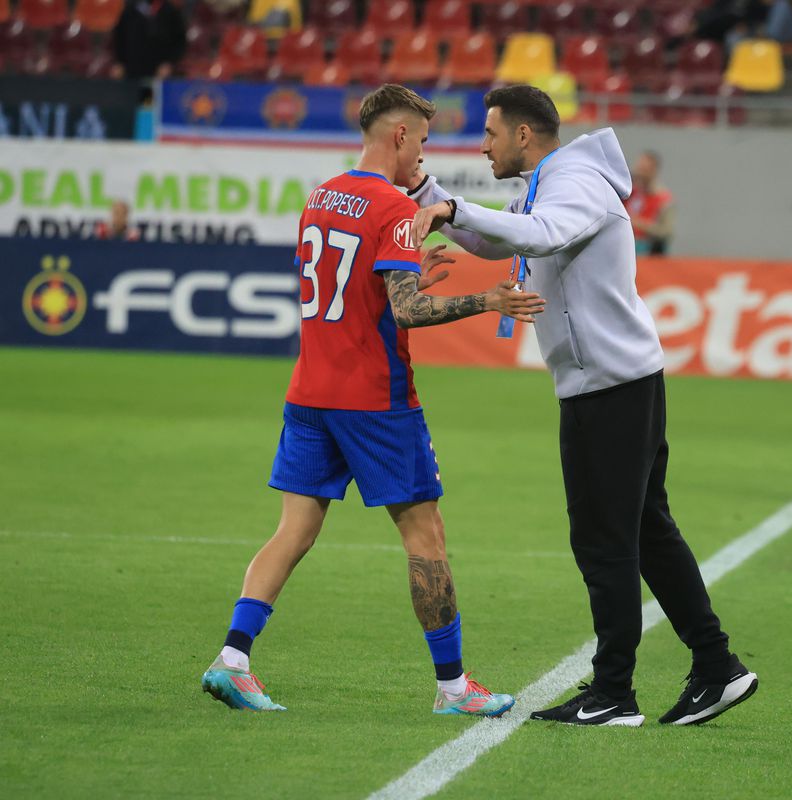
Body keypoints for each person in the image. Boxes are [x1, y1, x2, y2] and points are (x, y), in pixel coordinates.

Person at [407, 85, 758, 727]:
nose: (482, 145)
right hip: (617, 382)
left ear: (523, 134)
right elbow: (500, 241)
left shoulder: (575, 182)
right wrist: (433, 198)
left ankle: (614, 693)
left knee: (605, 541)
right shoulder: (551, 179)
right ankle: (716, 666)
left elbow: (541, 236)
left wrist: (453, 204)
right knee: (647, 531)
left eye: (490, 133)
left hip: (608, 389)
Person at [200, 84, 544, 715]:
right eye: (423, 142)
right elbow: (407, 312)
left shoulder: (321, 194)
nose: (424, 159)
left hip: (310, 391)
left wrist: (411, 271)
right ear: (399, 136)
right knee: (425, 534)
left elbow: (353, 285)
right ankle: (453, 689)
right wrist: (488, 301)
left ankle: (233, 659)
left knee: (294, 531)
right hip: (374, 400)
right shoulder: (391, 207)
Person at [110, 0, 187, 81]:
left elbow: (180, 41)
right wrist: (120, 62)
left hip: (159, 73)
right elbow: (119, 38)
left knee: (150, 92)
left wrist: (169, 63)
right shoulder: (130, 9)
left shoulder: (170, 10)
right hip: (132, 71)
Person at [624, 150, 675, 256]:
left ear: (653, 171)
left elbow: (666, 231)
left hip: (646, 252)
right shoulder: (631, 193)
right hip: (625, 246)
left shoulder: (664, 200)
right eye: (638, 168)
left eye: (644, 170)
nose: (638, 173)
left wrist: (640, 224)